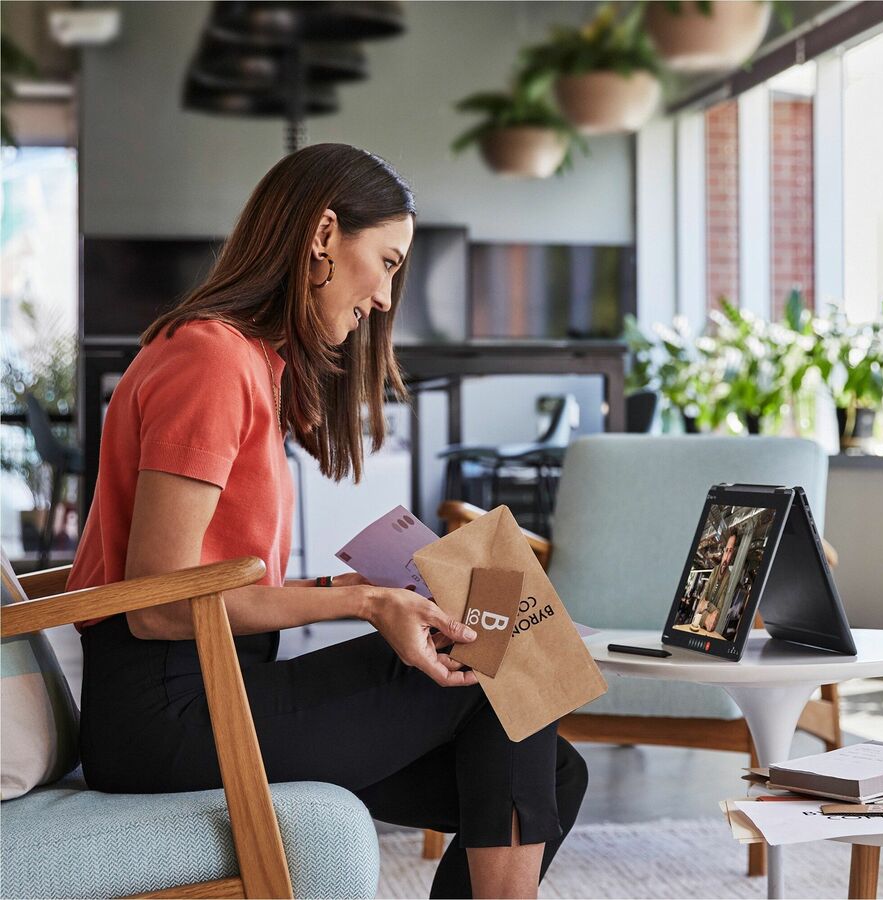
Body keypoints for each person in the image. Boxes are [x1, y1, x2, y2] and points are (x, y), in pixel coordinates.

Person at [66, 143, 588, 900]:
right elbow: (158, 604)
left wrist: (358, 584)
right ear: (322, 237)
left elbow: (211, 577)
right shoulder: (211, 359)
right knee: (508, 652)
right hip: (169, 717)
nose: (384, 295)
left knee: (553, 770)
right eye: (386, 260)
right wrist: (366, 602)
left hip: (219, 690)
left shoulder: (237, 358)